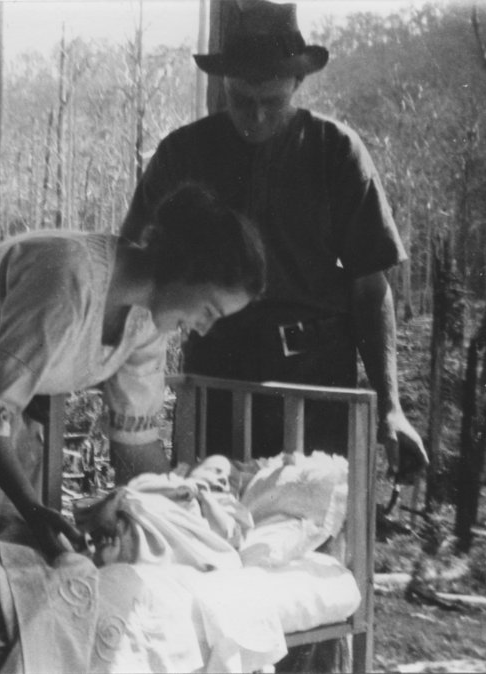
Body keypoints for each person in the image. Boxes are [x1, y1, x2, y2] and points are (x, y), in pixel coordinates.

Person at [0, 182, 266, 563]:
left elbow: (135, 443)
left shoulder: (149, 323)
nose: (203, 328)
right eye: (209, 311)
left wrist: (177, 507)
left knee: (4, 547)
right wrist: (32, 506)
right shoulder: (70, 276)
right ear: (185, 267)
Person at [120, 0, 429, 482]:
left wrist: (392, 407)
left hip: (316, 378)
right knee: (207, 526)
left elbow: (372, 288)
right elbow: (130, 267)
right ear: (223, 84)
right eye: (243, 101)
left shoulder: (337, 151)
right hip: (215, 375)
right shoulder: (183, 154)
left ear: (298, 85)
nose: (257, 117)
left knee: (308, 532)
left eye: (273, 103)